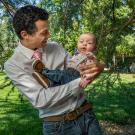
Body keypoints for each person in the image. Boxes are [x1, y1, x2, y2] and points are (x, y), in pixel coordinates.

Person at [4, 5, 104, 135]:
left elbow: (79, 70)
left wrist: (99, 66)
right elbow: (41, 99)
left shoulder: (55, 47)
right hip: (58, 127)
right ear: (25, 35)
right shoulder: (13, 64)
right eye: (44, 32)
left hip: (86, 114)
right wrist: (79, 83)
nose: (49, 35)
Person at [32, 32, 97, 88]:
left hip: (76, 76)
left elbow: (92, 70)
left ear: (94, 47)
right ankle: (49, 84)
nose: (84, 44)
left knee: (60, 75)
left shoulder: (90, 57)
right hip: (68, 72)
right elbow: (69, 61)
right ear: (77, 44)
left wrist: (87, 79)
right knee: (60, 79)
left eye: (89, 43)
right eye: (81, 41)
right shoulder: (77, 54)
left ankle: (43, 71)